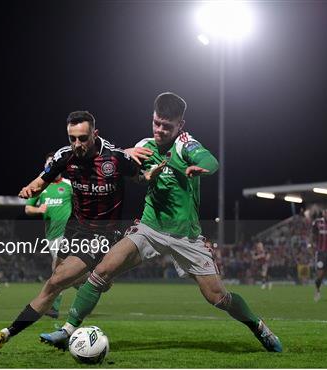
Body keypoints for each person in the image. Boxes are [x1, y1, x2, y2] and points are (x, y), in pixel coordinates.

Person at [40, 92, 282, 353]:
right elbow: (114, 160)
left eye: (167, 126)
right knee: (102, 271)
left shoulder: (185, 145)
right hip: (149, 228)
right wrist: (126, 152)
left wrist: (201, 167)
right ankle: (67, 331)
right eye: (157, 123)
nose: (160, 130)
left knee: (218, 297)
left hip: (185, 236)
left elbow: (210, 160)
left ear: (181, 125)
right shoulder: (145, 145)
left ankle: (258, 327)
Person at [0, 110, 147, 351]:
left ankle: (4, 335)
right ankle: (99, 279)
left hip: (102, 233)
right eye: (72, 138)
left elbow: (144, 177)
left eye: (82, 138)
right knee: (59, 276)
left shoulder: (115, 157)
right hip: (74, 228)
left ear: (94, 134)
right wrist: (30, 189)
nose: (77, 144)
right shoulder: (64, 156)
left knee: (54, 282)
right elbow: (41, 181)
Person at [25, 152, 73, 318]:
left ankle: (53, 307)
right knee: (67, 272)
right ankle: (88, 285)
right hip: (52, 235)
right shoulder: (40, 187)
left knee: (59, 269)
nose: (51, 166)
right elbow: (27, 208)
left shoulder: (69, 185)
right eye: (49, 164)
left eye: (54, 163)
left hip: (70, 234)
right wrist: (38, 209)